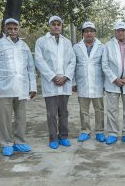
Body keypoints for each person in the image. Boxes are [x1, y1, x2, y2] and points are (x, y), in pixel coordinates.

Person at [0, 18, 37, 156]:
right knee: (5, 118)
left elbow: (31, 68)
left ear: (18, 29)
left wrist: (33, 87)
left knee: (21, 117)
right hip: (3, 87)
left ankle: (19, 142)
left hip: (22, 87)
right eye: (9, 28)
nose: (12, 31)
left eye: (15, 28)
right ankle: (7, 143)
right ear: (4, 29)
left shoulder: (24, 46)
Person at [35, 16, 76, 149]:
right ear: (49, 25)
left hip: (64, 82)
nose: (56, 26)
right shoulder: (41, 41)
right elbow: (39, 61)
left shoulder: (67, 42)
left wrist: (65, 77)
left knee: (63, 112)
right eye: (54, 24)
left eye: (59, 24)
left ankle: (63, 136)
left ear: (62, 26)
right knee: (51, 113)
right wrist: (53, 77)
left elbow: (72, 61)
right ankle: (53, 138)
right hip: (50, 82)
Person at [73, 21, 106, 143]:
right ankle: (85, 131)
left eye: (91, 31)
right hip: (82, 83)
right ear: (83, 33)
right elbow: (73, 66)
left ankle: (99, 131)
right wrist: (73, 82)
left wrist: (106, 84)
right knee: (83, 110)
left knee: (99, 109)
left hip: (98, 83)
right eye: (86, 31)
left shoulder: (102, 47)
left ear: (95, 33)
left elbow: (105, 66)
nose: (89, 33)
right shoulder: (76, 47)